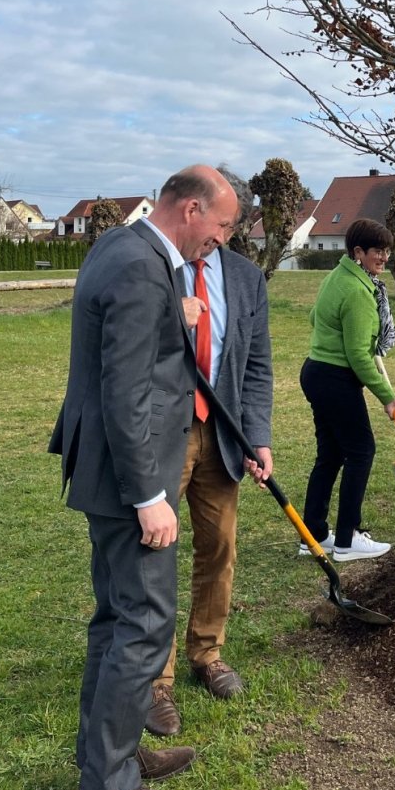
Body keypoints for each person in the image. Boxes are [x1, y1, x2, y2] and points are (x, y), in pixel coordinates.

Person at [49, 165, 239, 790]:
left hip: (102, 468)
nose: (215, 242)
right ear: (190, 209)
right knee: (144, 624)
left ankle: (112, 753)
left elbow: (129, 349)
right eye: (217, 227)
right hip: (129, 476)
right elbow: (125, 388)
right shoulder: (139, 266)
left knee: (114, 619)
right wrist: (149, 496)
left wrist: (171, 319)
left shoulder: (119, 247)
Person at [145, 229, 274, 738]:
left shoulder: (245, 277)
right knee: (154, 551)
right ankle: (155, 679)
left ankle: (207, 651)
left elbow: (257, 364)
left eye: (227, 227)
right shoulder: (158, 270)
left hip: (222, 435)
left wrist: (256, 436)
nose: (216, 236)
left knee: (219, 545)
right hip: (163, 435)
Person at [300, 217, 395, 562]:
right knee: (361, 451)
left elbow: (315, 316)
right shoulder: (359, 291)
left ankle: (312, 535)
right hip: (335, 379)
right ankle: (347, 539)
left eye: (387, 251)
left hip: (316, 373)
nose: (384, 257)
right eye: (378, 251)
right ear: (358, 252)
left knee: (330, 454)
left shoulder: (337, 277)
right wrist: (386, 397)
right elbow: (359, 355)